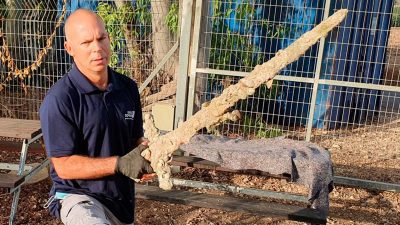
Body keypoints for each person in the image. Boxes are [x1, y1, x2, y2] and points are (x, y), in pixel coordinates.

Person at [40, 8, 153, 225]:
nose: (97, 48)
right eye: (86, 42)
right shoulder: (60, 99)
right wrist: (119, 164)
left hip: (121, 201)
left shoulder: (127, 88)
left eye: (101, 38)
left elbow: (135, 141)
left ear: (109, 39)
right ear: (69, 48)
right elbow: (63, 166)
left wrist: (150, 154)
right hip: (79, 198)